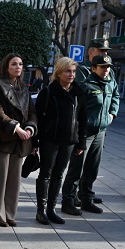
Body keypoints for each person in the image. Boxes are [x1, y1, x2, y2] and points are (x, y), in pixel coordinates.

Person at [61, 54, 119, 216]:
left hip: (100, 131)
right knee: (76, 169)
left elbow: (116, 97)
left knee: (92, 167)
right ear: (93, 68)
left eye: (108, 67)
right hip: (84, 133)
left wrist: (112, 114)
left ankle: (87, 199)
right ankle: (68, 201)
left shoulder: (110, 84)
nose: (106, 70)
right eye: (102, 67)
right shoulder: (85, 86)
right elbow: (75, 112)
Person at [0, 53, 38, 227]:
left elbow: (32, 112)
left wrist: (30, 128)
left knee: (15, 180)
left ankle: (10, 214)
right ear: (6, 66)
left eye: (21, 64)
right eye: (14, 64)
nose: (18, 67)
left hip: (21, 139)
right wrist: (16, 128)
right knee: (0, 179)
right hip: (3, 137)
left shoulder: (23, 87)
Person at [33, 57, 87, 225]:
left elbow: (83, 118)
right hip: (50, 140)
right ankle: (41, 211)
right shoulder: (48, 92)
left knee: (59, 174)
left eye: (73, 71)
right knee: (46, 174)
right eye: (68, 71)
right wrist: (35, 142)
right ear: (59, 72)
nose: (71, 74)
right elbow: (38, 119)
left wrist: (81, 142)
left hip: (69, 141)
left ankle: (52, 209)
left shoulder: (78, 92)